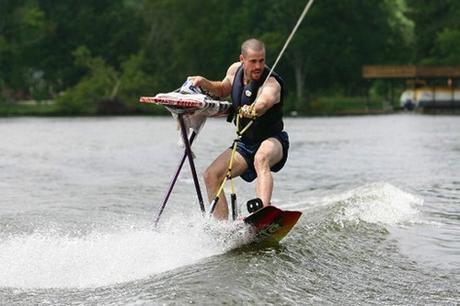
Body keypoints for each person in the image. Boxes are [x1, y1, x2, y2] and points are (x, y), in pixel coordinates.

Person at [189, 38, 289, 220]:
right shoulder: (235, 71)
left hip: (273, 140)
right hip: (245, 144)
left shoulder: (271, 82)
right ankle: (222, 228)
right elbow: (222, 88)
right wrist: (204, 83)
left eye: (262, 60)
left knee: (261, 158)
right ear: (242, 59)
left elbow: (265, 101)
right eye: (253, 61)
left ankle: (263, 212)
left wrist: (253, 109)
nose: (258, 66)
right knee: (211, 175)